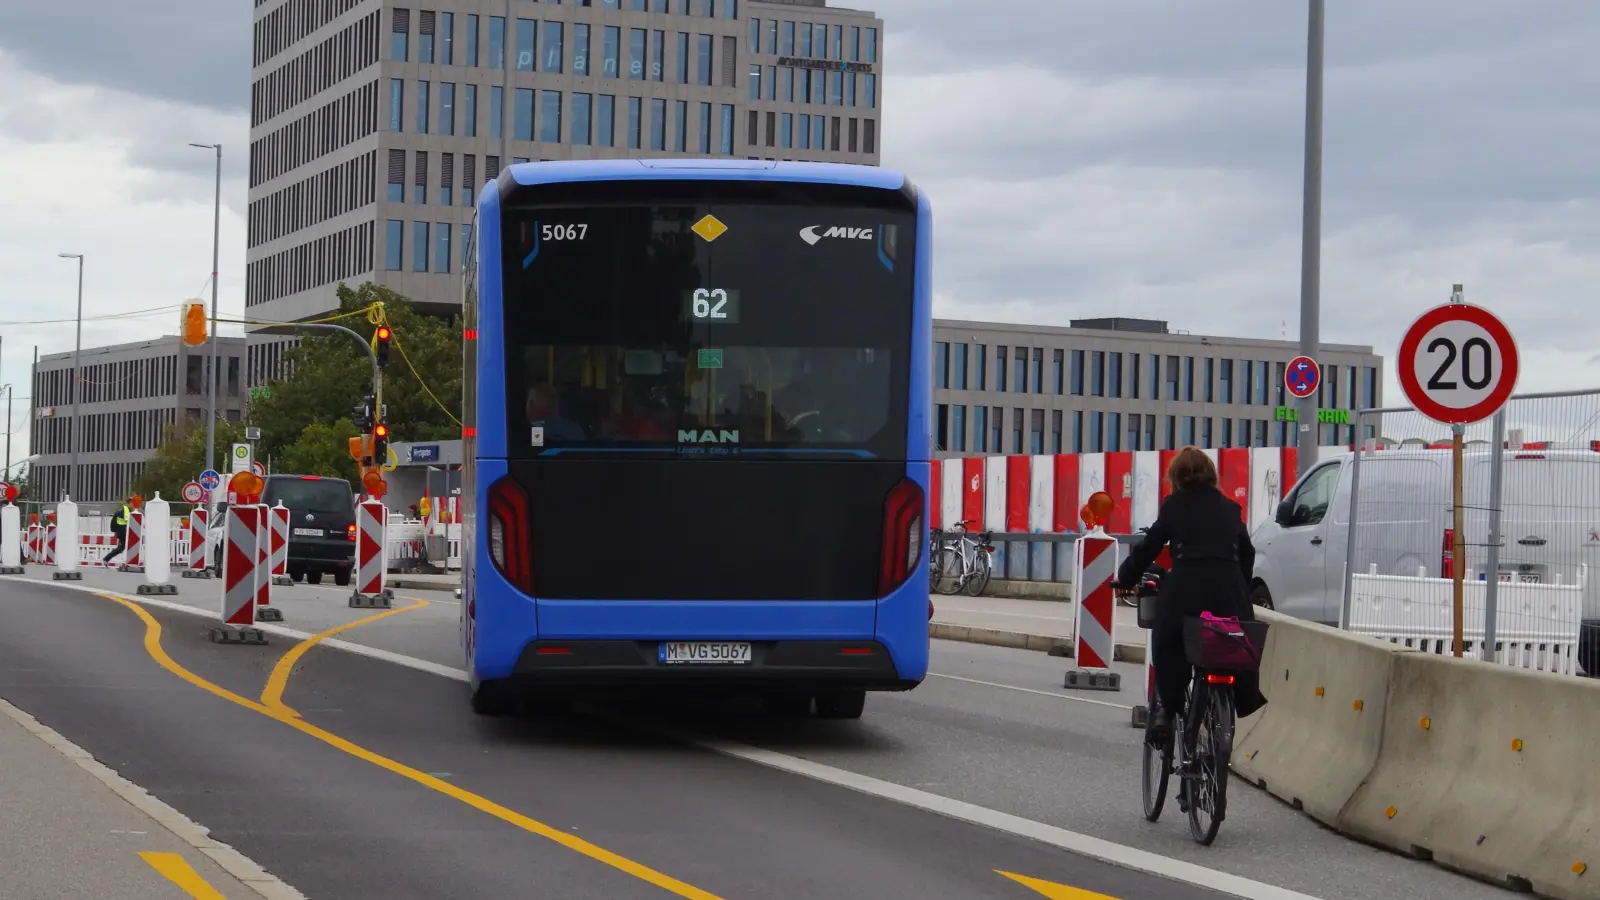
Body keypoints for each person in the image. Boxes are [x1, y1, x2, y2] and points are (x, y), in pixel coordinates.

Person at [1114, 447, 1266, 734]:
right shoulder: (1231, 508)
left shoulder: (1175, 506)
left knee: (1167, 640)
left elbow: (1150, 547)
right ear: (1211, 474)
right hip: (1228, 591)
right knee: (1239, 638)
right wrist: (1241, 589)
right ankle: (1242, 699)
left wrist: (1125, 576)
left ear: (1176, 477)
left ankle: (1165, 711)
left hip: (1186, 591)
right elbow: (1247, 552)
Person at [103, 497, 133, 565]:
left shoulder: (125, 509)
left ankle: (106, 559)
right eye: (133, 503)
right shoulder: (126, 510)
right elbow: (127, 521)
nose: (133, 505)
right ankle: (106, 559)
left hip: (121, 531)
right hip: (122, 532)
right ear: (130, 503)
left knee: (122, 548)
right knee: (123, 547)